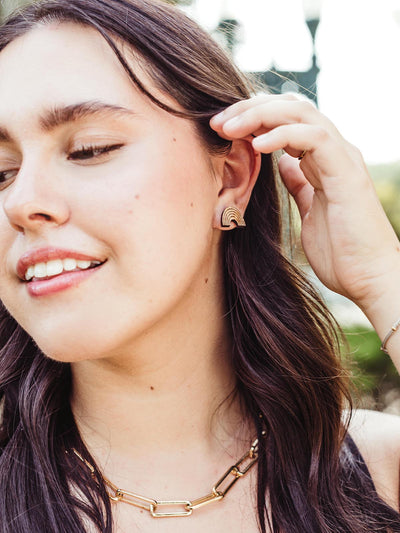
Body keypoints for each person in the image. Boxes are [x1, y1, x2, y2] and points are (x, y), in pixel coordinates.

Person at [0, 0, 399, 531]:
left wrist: (380, 278)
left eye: (90, 150)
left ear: (230, 175)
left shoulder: (383, 471)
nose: (21, 202)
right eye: (1, 172)